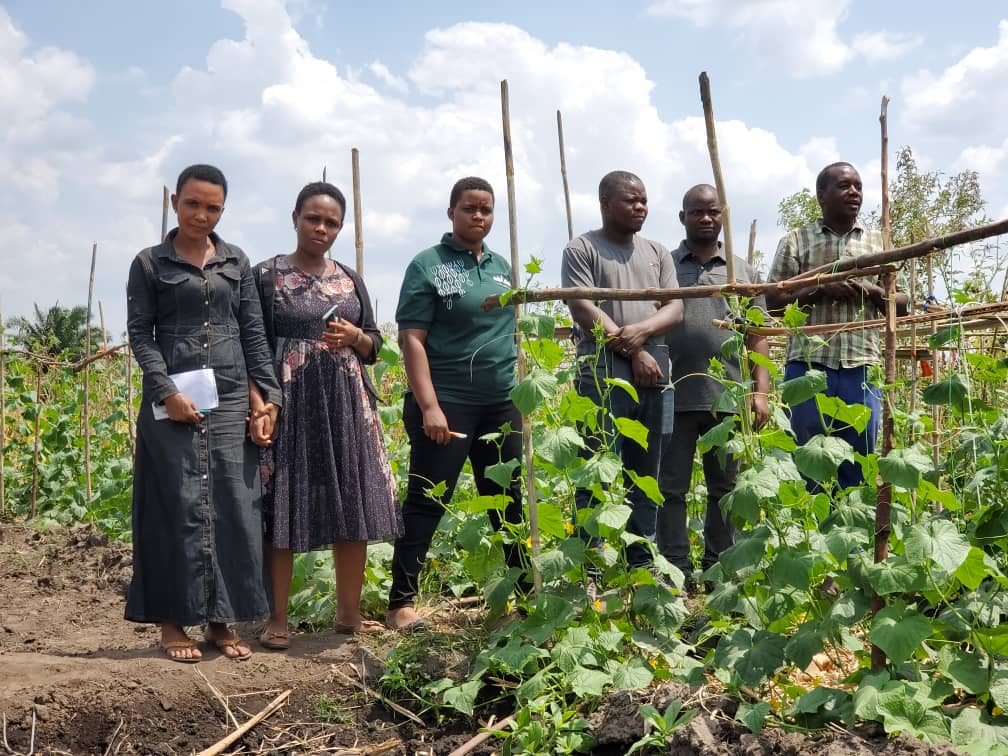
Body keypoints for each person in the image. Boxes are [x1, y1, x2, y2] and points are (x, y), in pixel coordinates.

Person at [125, 164, 282, 662]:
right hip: (171, 399)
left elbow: (253, 333)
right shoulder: (151, 263)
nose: (201, 214)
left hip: (232, 394)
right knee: (175, 503)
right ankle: (172, 624)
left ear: (222, 210)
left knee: (234, 505)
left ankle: (221, 621)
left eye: (212, 207)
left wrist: (268, 397)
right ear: (175, 202)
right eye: (193, 203)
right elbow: (140, 334)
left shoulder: (236, 260)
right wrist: (166, 389)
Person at [250, 182, 402, 648]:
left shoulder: (350, 278)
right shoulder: (266, 276)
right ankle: (277, 619)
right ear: (294, 217)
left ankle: (349, 614)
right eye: (313, 218)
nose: (321, 228)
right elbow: (250, 346)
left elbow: (375, 345)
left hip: (345, 405)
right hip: (289, 402)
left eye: (331, 222)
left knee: (350, 500)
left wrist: (356, 337)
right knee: (283, 501)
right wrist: (261, 402)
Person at [386, 176, 523, 633]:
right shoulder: (428, 264)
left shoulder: (503, 266)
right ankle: (400, 605)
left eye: (486, 209)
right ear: (451, 212)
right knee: (427, 500)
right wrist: (430, 407)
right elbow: (412, 339)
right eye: (469, 208)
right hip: (449, 402)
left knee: (506, 501)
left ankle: (524, 595)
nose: (478, 216)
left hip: (501, 403)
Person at [561, 170, 683, 572]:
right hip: (603, 367)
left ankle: (641, 565)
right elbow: (582, 307)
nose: (640, 207)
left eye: (644, 200)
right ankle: (591, 567)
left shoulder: (657, 252)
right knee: (596, 465)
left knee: (647, 472)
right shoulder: (582, 249)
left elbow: (675, 308)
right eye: (631, 200)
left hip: (656, 366)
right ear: (605, 203)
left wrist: (642, 335)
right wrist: (632, 351)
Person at [766, 162, 908, 489]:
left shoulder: (878, 243)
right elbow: (771, 301)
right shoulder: (796, 241)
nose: (854, 192)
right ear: (821, 196)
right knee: (808, 463)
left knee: (857, 464)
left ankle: (852, 540)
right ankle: (810, 537)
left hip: (862, 366)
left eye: (858, 186)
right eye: (844, 186)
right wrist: (819, 290)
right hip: (807, 366)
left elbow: (899, 305)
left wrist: (871, 292)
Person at [658, 184, 770, 589]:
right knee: (670, 488)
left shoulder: (741, 271)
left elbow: (758, 335)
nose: (706, 218)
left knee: (726, 488)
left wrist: (760, 392)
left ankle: (719, 568)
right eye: (697, 212)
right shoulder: (665, 267)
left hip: (727, 397)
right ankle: (674, 570)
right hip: (674, 393)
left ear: (722, 217)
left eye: (713, 212)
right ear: (682, 217)